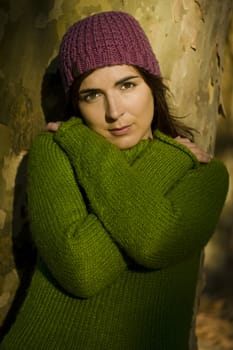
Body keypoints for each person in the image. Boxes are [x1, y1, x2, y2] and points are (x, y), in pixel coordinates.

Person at [0, 11, 229, 350]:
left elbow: (155, 241)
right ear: (76, 104)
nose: (114, 111)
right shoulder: (58, 149)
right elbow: (82, 270)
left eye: (127, 85)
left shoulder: (204, 174)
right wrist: (80, 142)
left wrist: (166, 158)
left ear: (152, 84)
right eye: (91, 95)